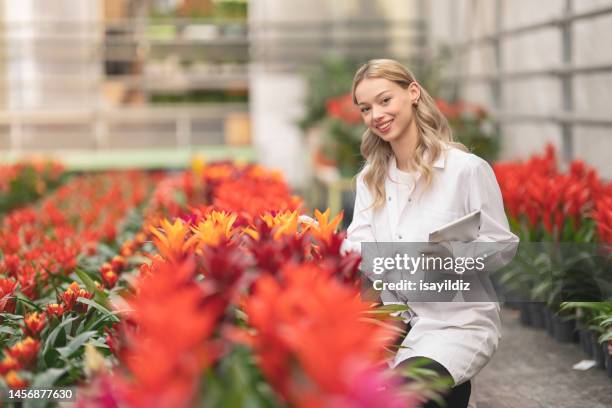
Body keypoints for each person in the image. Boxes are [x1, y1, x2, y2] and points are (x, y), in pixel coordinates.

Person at [343, 59, 519, 408]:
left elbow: (502, 244)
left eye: (384, 100)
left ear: (412, 93)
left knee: (404, 395)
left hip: (456, 324)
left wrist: (454, 257)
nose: (376, 114)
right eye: (366, 108)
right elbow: (357, 247)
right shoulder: (370, 180)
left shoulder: (465, 170)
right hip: (395, 326)